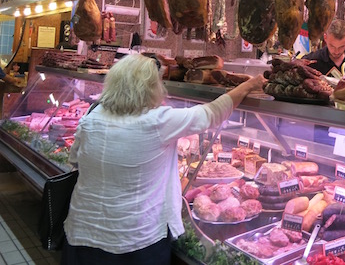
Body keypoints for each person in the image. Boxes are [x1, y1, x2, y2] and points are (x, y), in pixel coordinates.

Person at [61, 54, 265, 265]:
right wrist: (251, 84)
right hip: (136, 241)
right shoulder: (157, 121)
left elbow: (76, 160)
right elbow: (212, 113)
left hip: (82, 232)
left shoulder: (93, 115)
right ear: (149, 87)